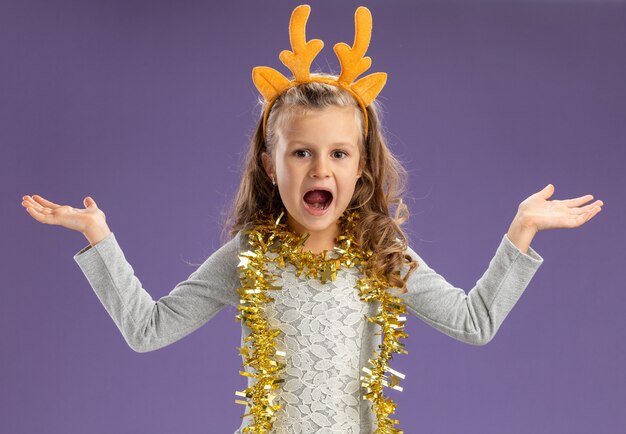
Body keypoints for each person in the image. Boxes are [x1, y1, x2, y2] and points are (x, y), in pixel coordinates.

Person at [20, 4, 603, 434]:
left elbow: (473, 321)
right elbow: (148, 330)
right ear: (271, 166)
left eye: (338, 154)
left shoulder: (382, 252)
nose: (320, 168)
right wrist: (98, 238)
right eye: (302, 152)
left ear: (360, 167)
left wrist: (520, 231)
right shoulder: (251, 256)